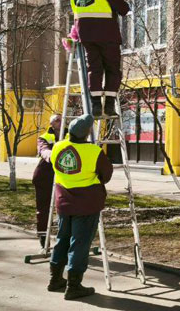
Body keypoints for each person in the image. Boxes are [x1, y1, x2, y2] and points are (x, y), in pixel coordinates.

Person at [47, 114, 113, 300]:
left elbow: (55, 166)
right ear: (87, 133)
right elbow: (106, 175)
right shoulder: (94, 151)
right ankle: (74, 286)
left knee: (62, 239)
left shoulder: (58, 146)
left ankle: (55, 279)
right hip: (86, 204)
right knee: (80, 243)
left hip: (63, 203)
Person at [70, 0, 130, 117]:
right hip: (107, 34)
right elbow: (123, 9)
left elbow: (77, 12)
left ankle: (96, 105)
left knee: (94, 69)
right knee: (112, 69)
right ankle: (109, 106)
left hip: (86, 36)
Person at [32, 114, 61, 250]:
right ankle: (44, 240)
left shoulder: (70, 134)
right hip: (45, 177)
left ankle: (64, 243)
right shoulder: (44, 137)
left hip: (63, 177)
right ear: (51, 124)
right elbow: (43, 150)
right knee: (43, 210)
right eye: (57, 120)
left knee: (64, 209)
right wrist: (52, 155)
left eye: (62, 119)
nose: (60, 122)